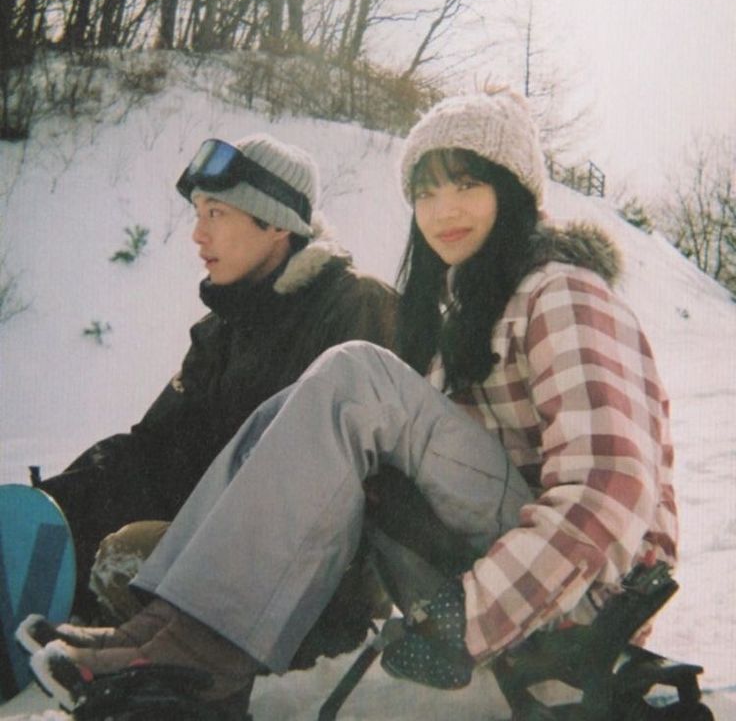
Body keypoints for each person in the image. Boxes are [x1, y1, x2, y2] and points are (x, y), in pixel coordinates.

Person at [25, 87, 676, 716]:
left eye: (466, 184)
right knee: (289, 411)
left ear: (514, 194)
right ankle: (163, 638)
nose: (443, 208)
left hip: (586, 598)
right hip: (501, 567)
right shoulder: (470, 316)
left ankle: (194, 663)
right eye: (426, 191)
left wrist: (469, 620)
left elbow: (609, 489)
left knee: (356, 380)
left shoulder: (562, 293)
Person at [38, 133, 398, 621]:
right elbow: (157, 452)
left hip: (317, 574)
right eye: (197, 213)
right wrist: (56, 507)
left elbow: (353, 483)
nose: (197, 234)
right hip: (229, 541)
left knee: (127, 558)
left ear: (275, 225)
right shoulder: (223, 328)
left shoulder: (356, 306)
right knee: (83, 525)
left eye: (216, 214)